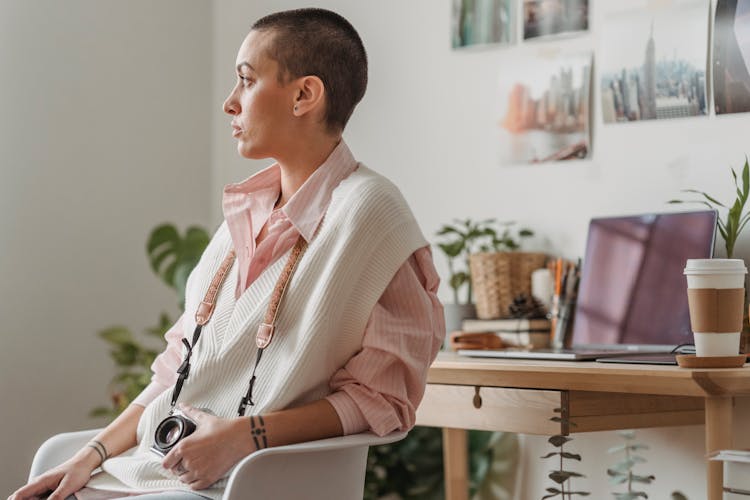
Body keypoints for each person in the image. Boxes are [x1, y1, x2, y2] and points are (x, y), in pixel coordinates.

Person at [10, 7, 443, 500]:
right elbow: (179, 368)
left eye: (246, 80)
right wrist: (92, 454)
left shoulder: (372, 213)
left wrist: (246, 437)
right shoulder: (245, 211)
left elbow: (382, 399)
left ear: (305, 95)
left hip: (253, 481)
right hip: (159, 470)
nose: (229, 104)